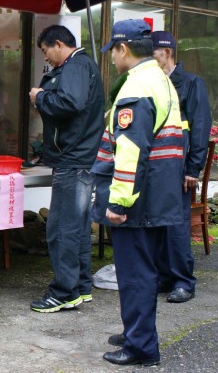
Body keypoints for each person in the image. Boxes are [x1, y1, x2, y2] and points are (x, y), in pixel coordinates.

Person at [94, 19, 184, 366]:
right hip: (157, 192)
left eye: (113, 52)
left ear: (123, 49)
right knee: (144, 270)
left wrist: (118, 201)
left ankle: (141, 347)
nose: (112, 59)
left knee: (135, 274)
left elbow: (130, 151)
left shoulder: (137, 87)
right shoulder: (159, 79)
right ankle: (136, 331)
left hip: (138, 199)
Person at [28, 25, 105, 313]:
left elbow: (70, 102)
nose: (46, 58)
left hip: (73, 160)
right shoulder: (85, 66)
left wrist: (40, 97)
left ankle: (64, 292)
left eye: (46, 51)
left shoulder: (75, 66)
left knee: (62, 229)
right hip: (82, 158)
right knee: (78, 227)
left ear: (59, 44)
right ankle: (81, 286)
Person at [151, 31, 213, 303]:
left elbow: (200, 128)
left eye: (150, 52)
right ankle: (164, 276)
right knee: (157, 224)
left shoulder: (190, 83)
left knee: (176, 225)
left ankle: (183, 281)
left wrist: (193, 169)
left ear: (166, 52)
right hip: (155, 167)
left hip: (179, 167)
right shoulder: (150, 83)